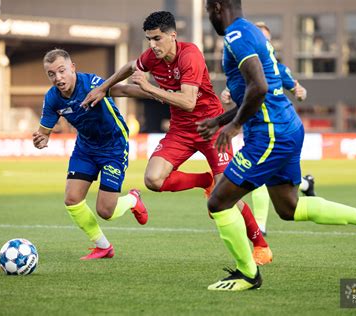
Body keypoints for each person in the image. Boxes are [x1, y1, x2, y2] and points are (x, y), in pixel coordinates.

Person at [199, 0, 356, 291]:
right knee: (289, 207)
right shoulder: (250, 32)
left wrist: (233, 127)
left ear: (218, 7)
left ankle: (248, 274)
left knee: (218, 202)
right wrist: (221, 119)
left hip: (270, 134)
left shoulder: (236, 35)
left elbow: (258, 87)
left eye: (208, 11)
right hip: (286, 127)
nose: (209, 17)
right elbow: (260, 92)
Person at [80, 11, 272, 265]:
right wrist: (103, 87)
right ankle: (205, 181)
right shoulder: (152, 56)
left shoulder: (189, 55)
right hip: (181, 130)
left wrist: (149, 88)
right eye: (149, 39)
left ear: (173, 35)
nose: (152, 45)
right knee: (153, 179)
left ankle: (261, 245)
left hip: (210, 128)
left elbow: (189, 101)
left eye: (157, 39)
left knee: (228, 200)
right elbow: (129, 67)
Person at [33, 48, 149, 260]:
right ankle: (104, 247)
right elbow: (43, 132)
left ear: (72, 68)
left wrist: (161, 96)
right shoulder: (52, 98)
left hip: (113, 145)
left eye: (61, 71)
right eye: (51, 74)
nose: (58, 78)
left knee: (106, 211)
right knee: (72, 199)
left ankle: (132, 199)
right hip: (85, 148)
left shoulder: (91, 83)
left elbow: (123, 91)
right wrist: (41, 139)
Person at [220, 21, 316, 235]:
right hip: (254, 130)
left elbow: (299, 91)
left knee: (257, 180)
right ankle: (305, 185)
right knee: (275, 187)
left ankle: (260, 227)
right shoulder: (243, 67)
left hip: (273, 131)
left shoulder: (278, 69)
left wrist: (299, 91)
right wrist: (226, 95)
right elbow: (235, 95)